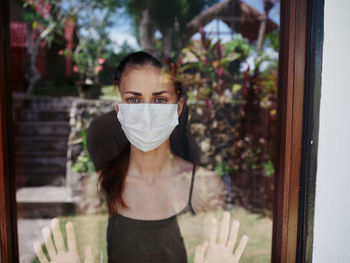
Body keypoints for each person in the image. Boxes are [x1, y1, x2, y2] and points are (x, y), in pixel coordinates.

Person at [32, 51, 248, 262]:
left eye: (160, 100)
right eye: (134, 100)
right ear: (119, 108)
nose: (146, 112)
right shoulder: (95, 189)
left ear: (179, 107)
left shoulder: (205, 187)